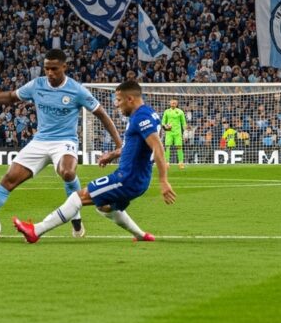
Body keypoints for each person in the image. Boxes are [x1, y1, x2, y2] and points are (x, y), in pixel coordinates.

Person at [0, 49, 123, 239]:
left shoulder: (77, 90)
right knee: (9, 179)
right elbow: (11, 97)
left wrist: (119, 146)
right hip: (40, 141)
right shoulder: (37, 85)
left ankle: (76, 219)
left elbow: (102, 114)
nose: (50, 73)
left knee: (68, 172)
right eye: (46, 69)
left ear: (64, 67)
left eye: (54, 69)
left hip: (64, 141)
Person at [13, 80, 176, 243]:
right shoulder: (148, 113)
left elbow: (158, 147)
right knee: (104, 207)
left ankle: (36, 230)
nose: (116, 104)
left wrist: (163, 180)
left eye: (119, 100)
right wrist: (113, 155)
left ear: (130, 99)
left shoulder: (141, 117)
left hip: (127, 178)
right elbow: (136, 146)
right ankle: (141, 236)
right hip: (137, 179)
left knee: (78, 197)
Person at [161, 99, 187, 169]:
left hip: (178, 133)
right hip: (169, 132)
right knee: (167, 147)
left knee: (179, 147)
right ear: (170, 103)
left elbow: (183, 122)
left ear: (177, 104)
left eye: (175, 103)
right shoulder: (166, 112)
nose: (173, 104)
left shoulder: (180, 112)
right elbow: (163, 122)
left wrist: (185, 133)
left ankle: (181, 163)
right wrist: (166, 126)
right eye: (172, 102)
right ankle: (167, 163)